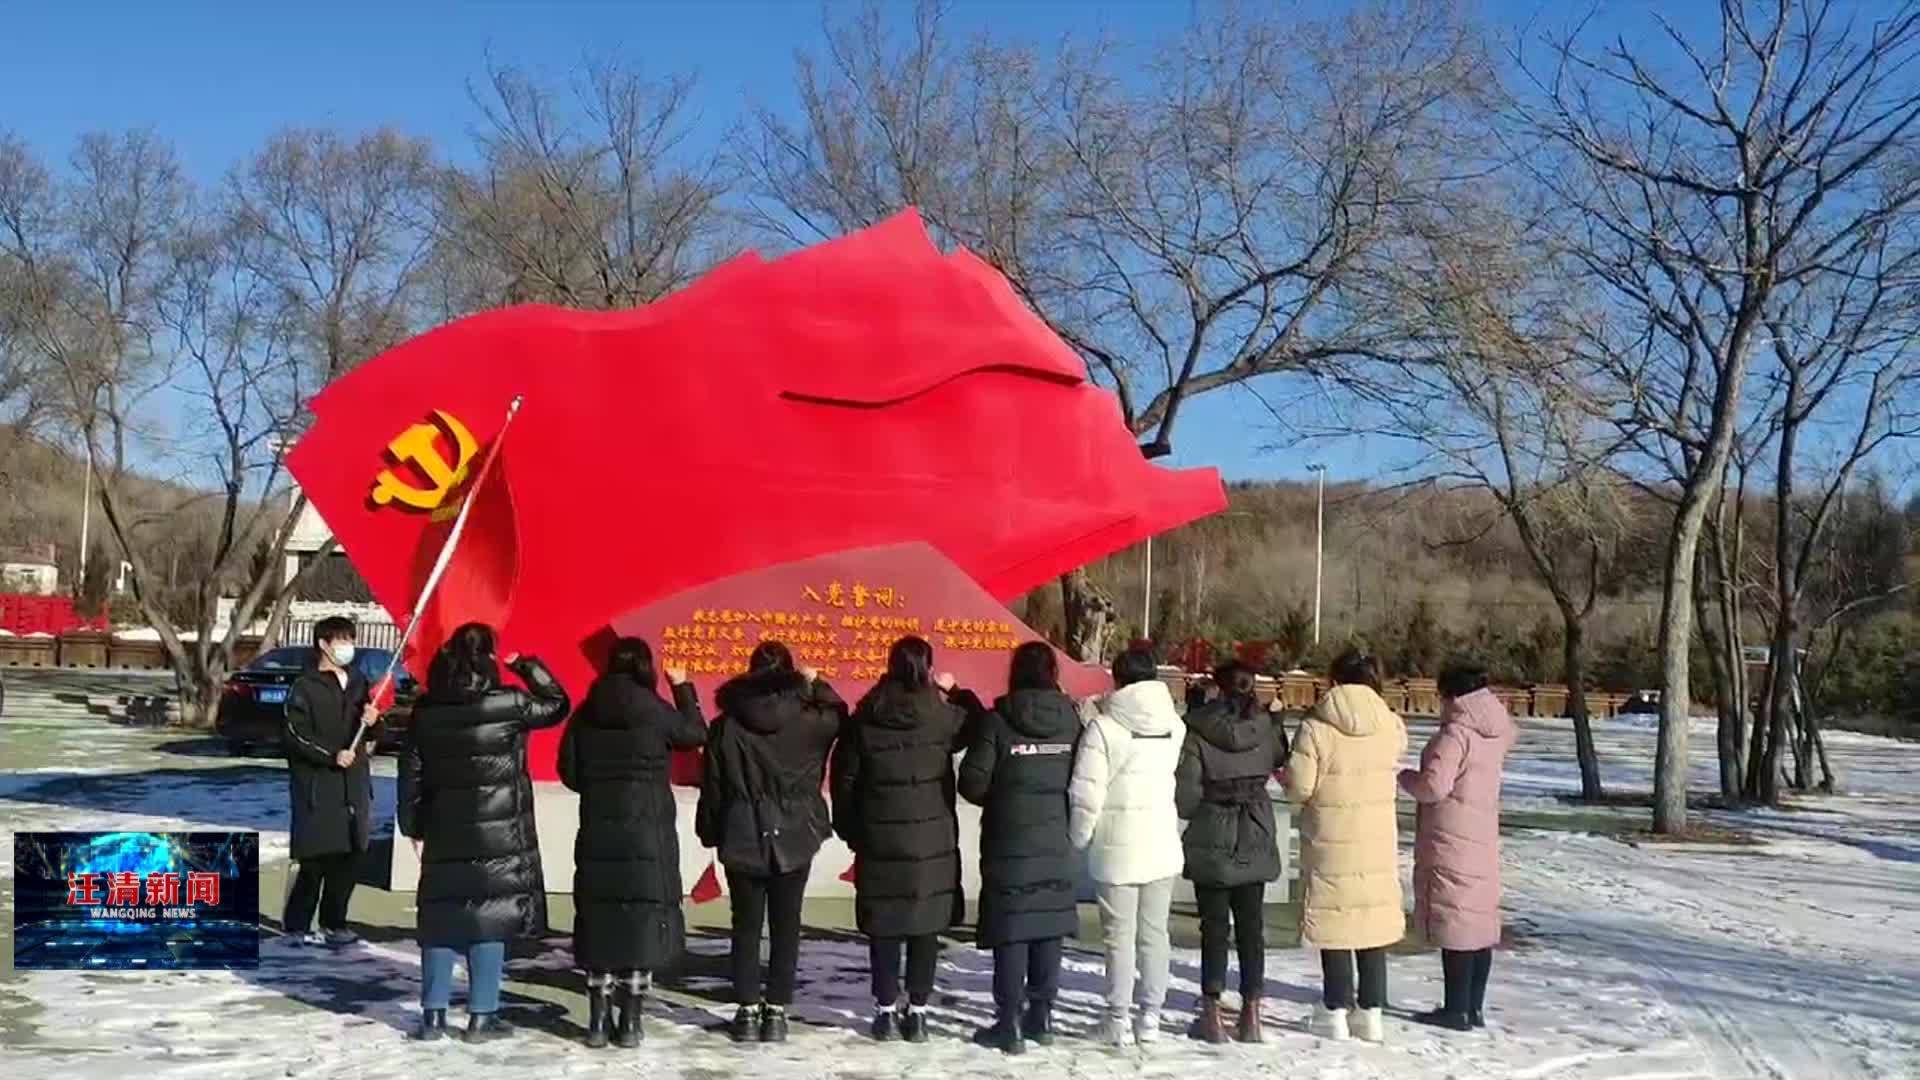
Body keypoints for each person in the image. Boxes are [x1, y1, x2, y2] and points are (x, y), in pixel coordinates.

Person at [398, 623, 570, 1043]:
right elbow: (557, 704)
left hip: (444, 828)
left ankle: (433, 1016)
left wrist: (414, 825)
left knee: (439, 920)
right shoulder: (508, 703)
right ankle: (481, 1016)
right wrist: (527, 667)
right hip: (499, 834)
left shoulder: (427, 710)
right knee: (488, 920)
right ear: (490, 657)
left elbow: (411, 774)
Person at [557, 637, 708, 1049]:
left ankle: (596, 1022)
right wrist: (683, 687)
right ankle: (631, 1023)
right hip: (648, 834)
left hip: (599, 831)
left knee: (600, 921)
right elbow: (695, 733)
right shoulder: (654, 711)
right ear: (646, 667)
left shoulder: (587, 713)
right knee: (640, 924)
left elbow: (568, 771)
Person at [697, 640, 846, 1043]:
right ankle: (776, 1012)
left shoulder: (726, 725)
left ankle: (746, 1011)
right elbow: (840, 715)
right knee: (786, 925)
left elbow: (714, 786)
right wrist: (817, 684)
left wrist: (710, 831)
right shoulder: (811, 720)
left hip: (742, 828)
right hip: (797, 831)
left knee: (744, 927)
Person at [833, 636, 972, 1043]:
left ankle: (884, 1011)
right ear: (928, 668)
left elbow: (845, 778)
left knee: (885, 927)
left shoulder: (867, 716)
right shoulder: (942, 716)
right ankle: (920, 1013)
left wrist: (852, 830)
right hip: (931, 841)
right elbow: (977, 724)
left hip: (879, 836)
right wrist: (952, 691)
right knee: (925, 925)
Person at [956, 642, 1081, 1055]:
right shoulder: (1071, 721)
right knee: (1048, 926)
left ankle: (1007, 1022)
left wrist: (1004, 796)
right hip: (1055, 839)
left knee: (1011, 931)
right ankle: (1041, 1017)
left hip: (1009, 841)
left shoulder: (998, 721)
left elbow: (972, 782)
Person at [1283, 649, 1408, 1044]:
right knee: (1371, 920)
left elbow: (1301, 788)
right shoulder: (1391, 724)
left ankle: (1335, 1008)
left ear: (1334, 679)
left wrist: (1288, 784)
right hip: (1376, 836)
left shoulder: (1316, 726)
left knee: (1335, 919)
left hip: (1330, 834)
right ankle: (1371, 1011)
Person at [1069, 642, 1186, 1047]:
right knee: (1155, 934)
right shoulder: (1175, 724)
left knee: (1119, 937)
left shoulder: (1103, 728)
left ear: (1116, 680)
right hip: (1161, 843)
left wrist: (1078, 839)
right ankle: (1151, 1017)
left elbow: (1087, 793)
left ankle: (1117, 1018)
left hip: (1117, 847)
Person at [1399, 661, 1516, 1032]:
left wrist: (1403, 776)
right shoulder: (1495, 730)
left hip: (1450, 833)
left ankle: (1455, 1009)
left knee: (1456, 921)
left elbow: (1434, 787)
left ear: (1450, 695)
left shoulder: (1455, 734)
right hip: (1481, 831)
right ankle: (1474, 1007)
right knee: (1478, 920)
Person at [1175, 660, 1284, 1044]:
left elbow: (1185, 798)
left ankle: (1212, 1013)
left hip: (1213, 830)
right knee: (1252, 928)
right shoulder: (1266, 727)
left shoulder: (1198, 729)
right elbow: (1278, 760)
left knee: (1215, 928)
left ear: (1216, 687)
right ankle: (1252, 1013)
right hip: (1254, 826)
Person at [281, 616, 379, 947]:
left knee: (349, 857)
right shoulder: (305, 687)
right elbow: (295, 734)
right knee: (316, 859)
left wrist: (374, 720)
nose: (347, 646)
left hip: (354, 783)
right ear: (324, 644)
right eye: (341, 640)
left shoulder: (358, 682)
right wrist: (330, 754)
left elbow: (375, 732)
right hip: (317, 785)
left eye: (350, 639)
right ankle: (296, 925)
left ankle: (335, 922)